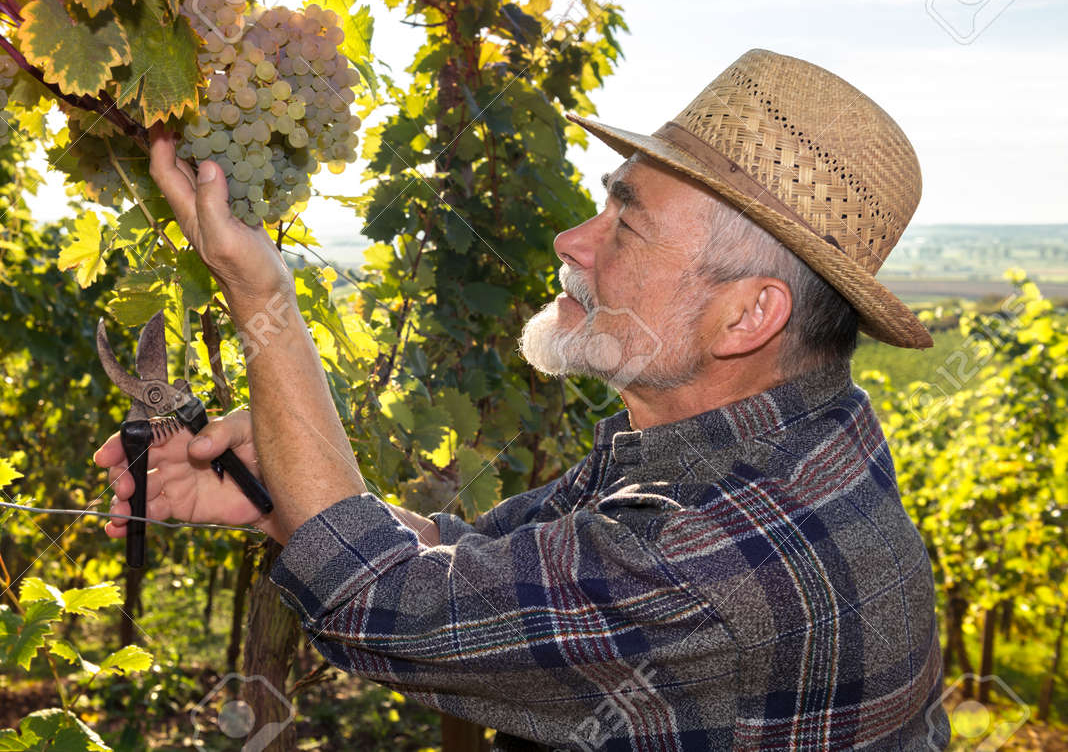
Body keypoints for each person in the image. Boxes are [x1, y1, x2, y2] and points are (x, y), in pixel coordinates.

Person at [93, 49, 949, 750]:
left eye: (626, 222)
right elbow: (479, 561)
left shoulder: (711, 554)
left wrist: (260, 295)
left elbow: (376, 602)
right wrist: (280, 490)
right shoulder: (785, 439)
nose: (571, 239)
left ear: (749, 315)